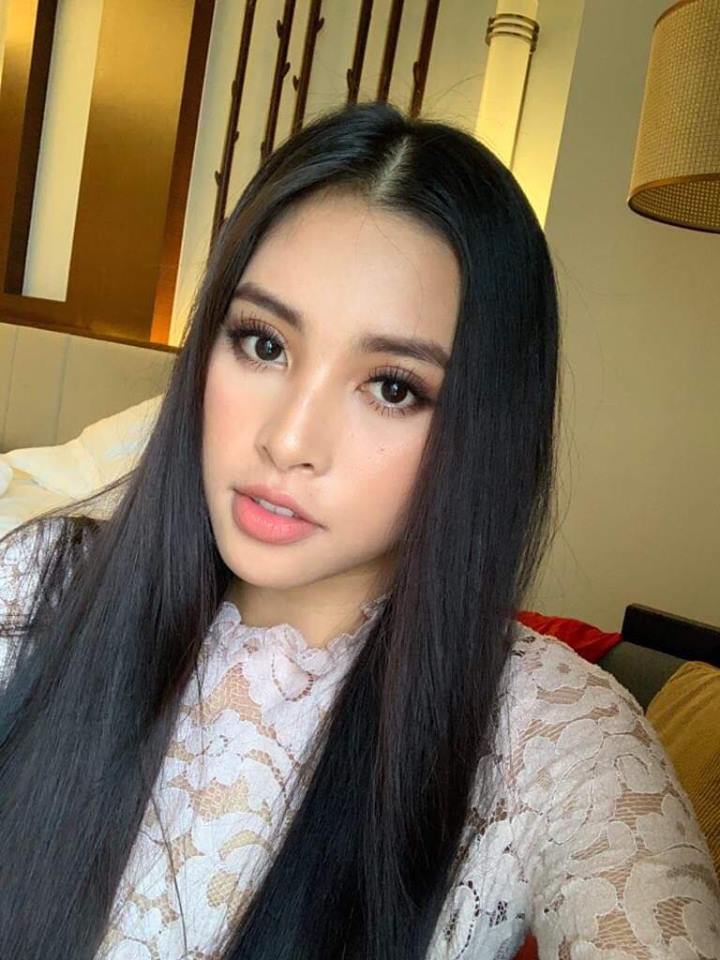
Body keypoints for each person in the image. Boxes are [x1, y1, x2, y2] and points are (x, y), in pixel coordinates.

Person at [0, 100, 717, 960]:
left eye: (392, 387)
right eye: (263, 343)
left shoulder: (546, 735)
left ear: (480, 430)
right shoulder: (33, 590)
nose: (287, 440)